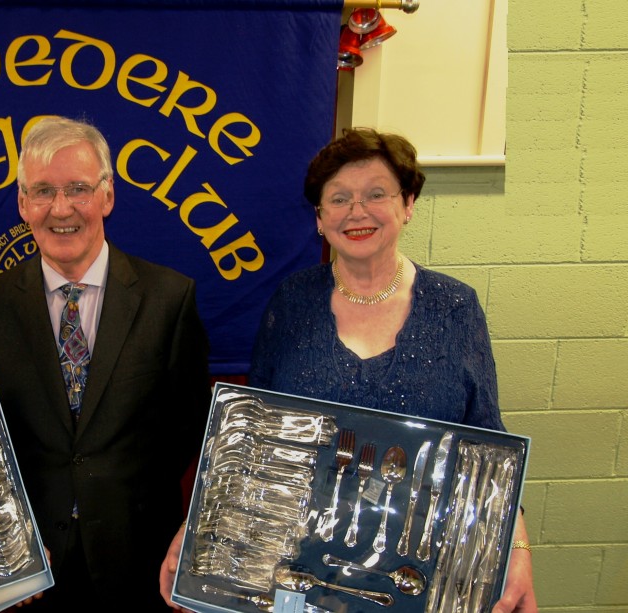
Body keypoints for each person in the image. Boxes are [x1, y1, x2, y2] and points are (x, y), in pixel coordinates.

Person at [160, 128, 537, 612]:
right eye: (338, 198)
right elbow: (252, 437)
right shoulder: (292, 303)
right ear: (319, 218)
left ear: (408, 204)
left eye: (376, 194)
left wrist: (517, 550)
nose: (357, 211)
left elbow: (489, 440)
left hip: (418, 575)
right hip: (299, 567)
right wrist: (196, 531)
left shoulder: (456, 307)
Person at [0, 116, 211, 610]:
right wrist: (9, 543)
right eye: (43, 191)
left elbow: (190, 428)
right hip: (32, 566)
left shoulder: (169, 298)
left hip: (140, 559)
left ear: (107, 196)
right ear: (22, 204)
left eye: (78, 188)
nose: (61, 209)